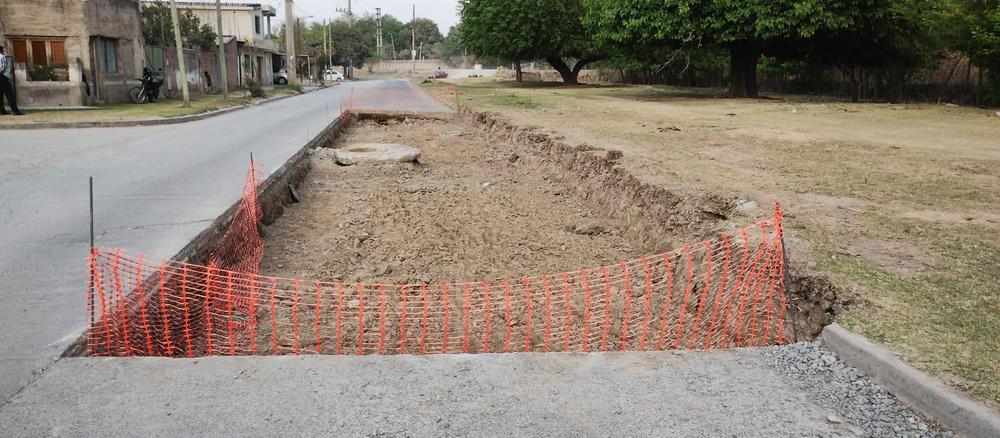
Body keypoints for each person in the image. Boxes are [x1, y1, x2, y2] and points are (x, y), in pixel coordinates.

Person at [0, 46, 24, 115]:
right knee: (9, 94)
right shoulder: (1, 57)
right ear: (1, 50)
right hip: (1, 77)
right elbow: (2, 67)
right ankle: (15, 111)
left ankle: (2, 110)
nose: (3, 52)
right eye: (3, 50)